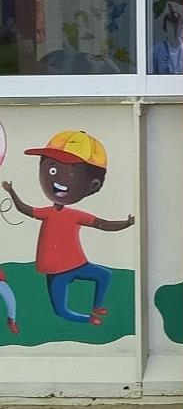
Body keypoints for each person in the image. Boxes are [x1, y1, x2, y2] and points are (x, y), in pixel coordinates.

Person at [2, 130, 135, 326]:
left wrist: (126, 223)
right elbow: (25, 209)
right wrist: (11, 191)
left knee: (105, 275)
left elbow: (101, 224)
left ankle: (97, 306)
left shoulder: (74, 215)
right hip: (56, 270)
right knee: (61, 311)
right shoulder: (48, 212)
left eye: (71, 173)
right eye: (52, 170)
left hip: (77, 264)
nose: (58, 180)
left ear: (93, 185)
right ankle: (90, 318)